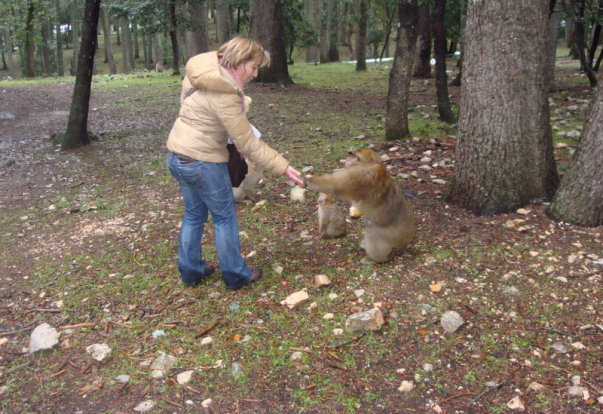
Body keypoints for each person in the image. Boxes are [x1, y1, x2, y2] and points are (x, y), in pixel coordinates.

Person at [166, 37, 304, 290]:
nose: (255, 74)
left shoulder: (199, 73)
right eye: (253, 67)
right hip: (203, 162)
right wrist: (283, 166)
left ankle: (191, 272)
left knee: (194, 215)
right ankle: (236, 274)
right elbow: (248, 143)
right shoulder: (226, 94)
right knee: (225, 217)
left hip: (177, 155)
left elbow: (191, 110)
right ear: (239, 62)